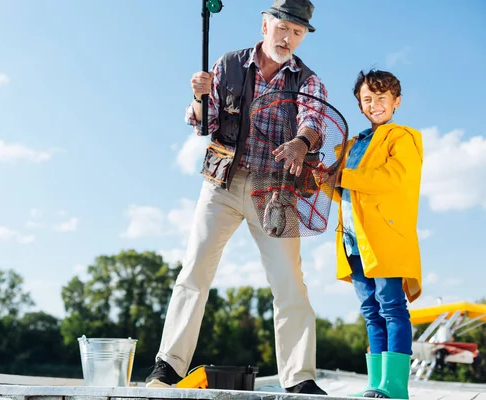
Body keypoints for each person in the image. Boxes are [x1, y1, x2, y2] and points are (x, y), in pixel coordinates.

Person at [145, 0, 328, 395]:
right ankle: (168, 367)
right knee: (194, 271)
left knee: (290, 283)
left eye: (297, 32)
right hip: (221, 185)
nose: (288, 37)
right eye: (282, 27)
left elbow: (315, 119)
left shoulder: (308, 79)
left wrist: (301, 141)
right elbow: (202, 123)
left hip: (276, 193)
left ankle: (299, 379)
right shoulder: (228, 64)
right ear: (265, 24)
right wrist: (199, 96)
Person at [322, 70, 423, 399]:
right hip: (353, 241)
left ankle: (395, 387)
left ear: (397, 102)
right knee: (370, 311)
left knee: (392, 307)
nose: (374, 104)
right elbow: (343, 192)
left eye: (382, 98)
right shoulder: (351, 145)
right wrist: (320, 177)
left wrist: (342, 176)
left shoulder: (403, 137)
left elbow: (391, 179)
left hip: (385, 240)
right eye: (368, 99)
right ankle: (376, 385)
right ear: (359, 105)